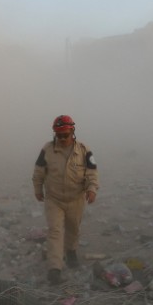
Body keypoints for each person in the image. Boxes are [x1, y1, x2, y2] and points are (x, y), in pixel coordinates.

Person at [32, 115, 99, 284]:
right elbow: (38, 172)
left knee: (73, 229)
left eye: (65, 135)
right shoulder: (47, 150)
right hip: (54, 199)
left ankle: (71, 252)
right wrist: (38, 189)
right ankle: (54, 268)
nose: (61, 139)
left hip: (75, 199)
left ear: (72, 132)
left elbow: (92, 173)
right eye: (58, 135)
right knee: (55, 231)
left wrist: (91, 189)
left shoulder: (84, 150)